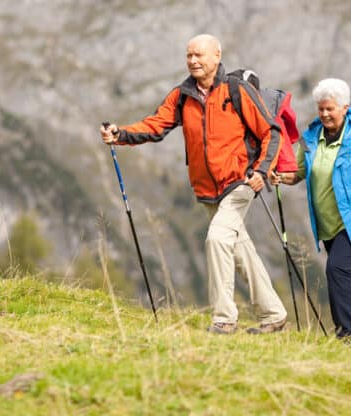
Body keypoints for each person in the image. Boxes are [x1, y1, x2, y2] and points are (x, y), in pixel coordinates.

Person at [101, 34, 287, 335]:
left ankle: (224, 319)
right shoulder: (182, 95)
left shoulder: (236, 90)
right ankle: (273, 314)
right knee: (238, 246)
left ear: (217, 55)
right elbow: (155, 125)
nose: (193, 61)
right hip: (207, 189)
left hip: (240, 182)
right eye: (189, 55)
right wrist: (120, 133)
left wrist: (261, 171)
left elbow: (271, 132)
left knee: (217, 238)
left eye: (199, 55)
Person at [270, 78, 351, 348]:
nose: (325, 114)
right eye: (321, 109)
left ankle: (346, 336)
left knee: (337, 269)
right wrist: (281, 176)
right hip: (327, 222)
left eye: (330, 109)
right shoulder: (310, 138)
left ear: (345, 107)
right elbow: (299, 173)